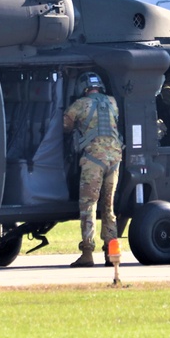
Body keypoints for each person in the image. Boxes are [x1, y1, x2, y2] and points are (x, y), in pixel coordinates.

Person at [63, 71, 123, 267]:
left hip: (93, 160)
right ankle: (111, 253)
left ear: (83, 87)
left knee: (88, 206)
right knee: (108, 208)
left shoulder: (81, 104)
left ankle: (87, 253)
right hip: (114, 159)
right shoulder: (113, 102)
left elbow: (65, 125)